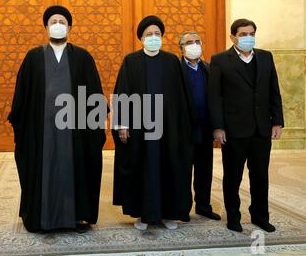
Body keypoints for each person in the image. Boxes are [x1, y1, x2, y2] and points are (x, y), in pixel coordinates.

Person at [8, 5, 107, 233]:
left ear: (69, 27)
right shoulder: (33, 57)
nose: (58, 25)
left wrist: (94, 126)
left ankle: (78, 216)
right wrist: (21, 123)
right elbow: (21, 96)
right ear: (46, 27)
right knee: (43, 170)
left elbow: (94, 94)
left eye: (62, 21)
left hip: (76, 130)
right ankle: (42, 218)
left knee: (77, 169)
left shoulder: (82, 57)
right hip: (41, 132)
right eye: (53, 21)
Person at [112, 15, 194, 231]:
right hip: (141, 130)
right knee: (143, 170)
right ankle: (143, 215)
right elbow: (122, 93)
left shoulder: (171, 61)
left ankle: (169, 214)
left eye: (157, 34)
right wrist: (122, 124)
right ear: (141, 38)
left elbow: (181, 97)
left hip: (168, 130)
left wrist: (182, 126)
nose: (154, 38)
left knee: (170, 168)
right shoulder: (131, 61)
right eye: (149, 34)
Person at [208, 18, 284, 233]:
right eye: (243, 34)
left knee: (260, 176)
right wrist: (218, 127)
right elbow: (215, 97)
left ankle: (260, 216)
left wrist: (277, 121)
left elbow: (273, 91)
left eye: (251, 33)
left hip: (261, 129)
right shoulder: (220, 60)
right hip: (233, 130)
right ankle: (233, 217)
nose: (247, 37)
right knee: (233, 177)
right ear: (232, 37)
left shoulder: (266, 57)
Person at [179, 31, 221, 221]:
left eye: (197, 41)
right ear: (181, 48)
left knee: (204, 170)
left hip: (205, 128)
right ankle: (183, 208)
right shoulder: (176, 69)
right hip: (184, 130)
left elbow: (217, 97)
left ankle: (203, 206)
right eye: (189, 42)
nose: (194, 45)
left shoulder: (208, 68)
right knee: (183, 170)